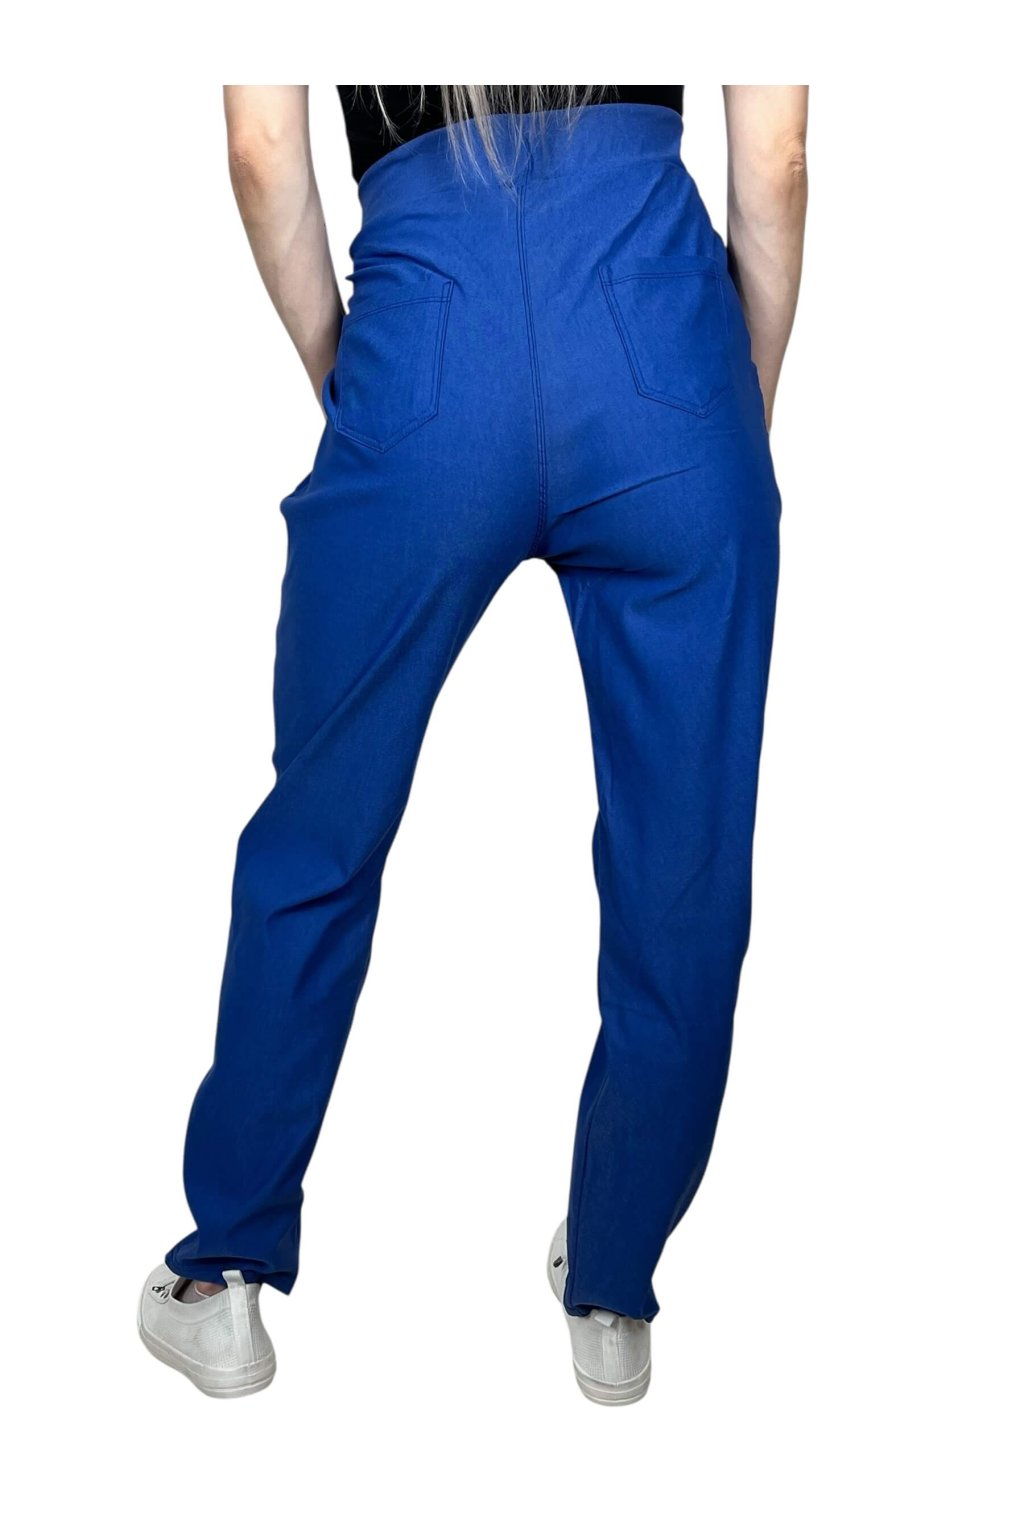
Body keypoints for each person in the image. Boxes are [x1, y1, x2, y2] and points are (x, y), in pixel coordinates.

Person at [138, 84, 808, 1403]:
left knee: (318, 835)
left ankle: (223, 1279)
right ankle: (612, 1287)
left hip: (427, 334)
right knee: (683, 864)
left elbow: (262, 150)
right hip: (662, 341)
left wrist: (363, 386)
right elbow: (776, 158)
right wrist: (735, 408)